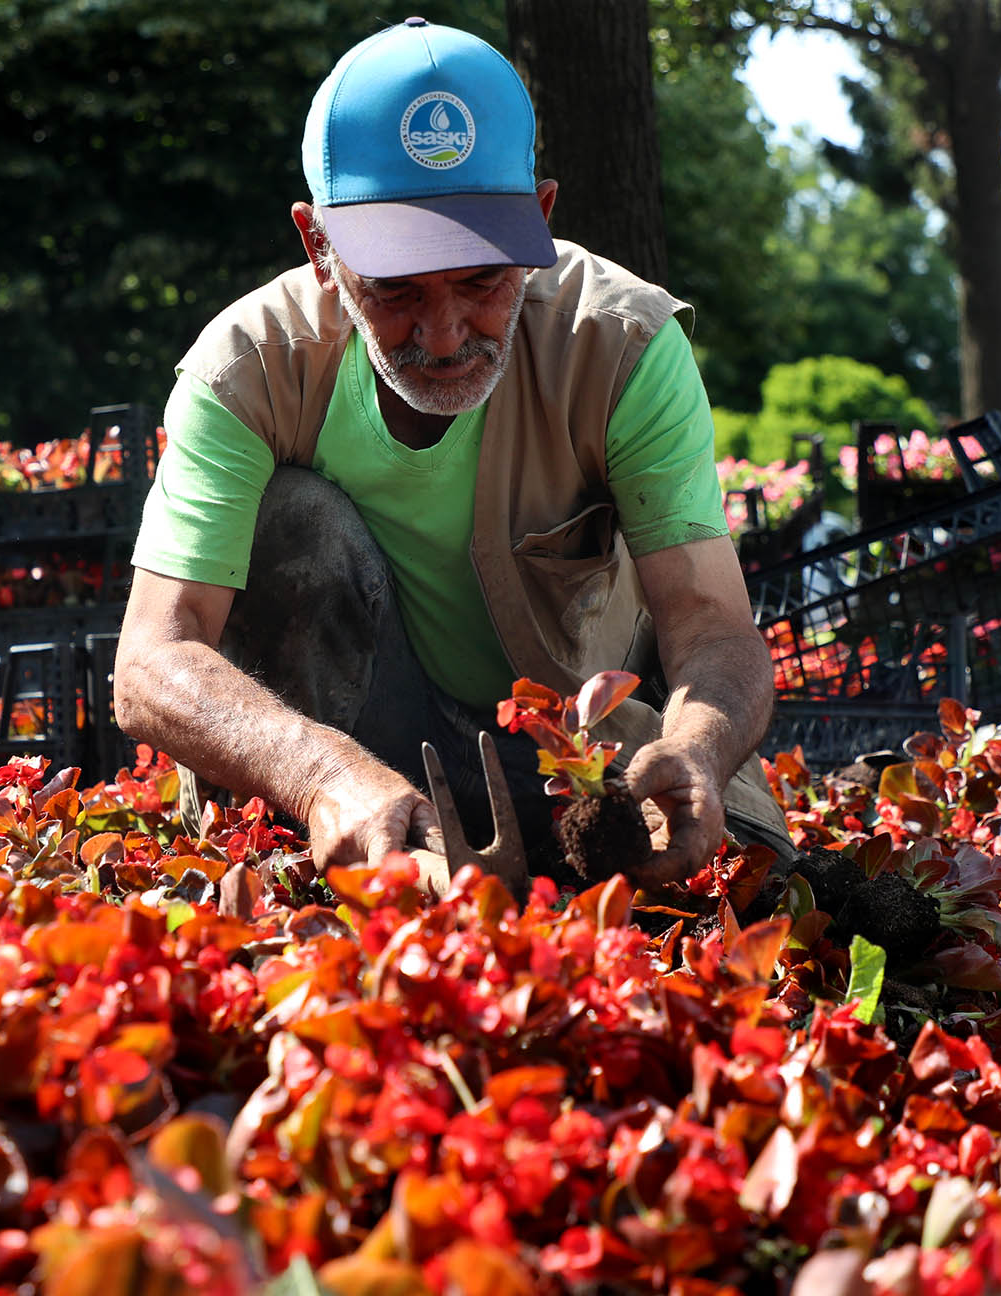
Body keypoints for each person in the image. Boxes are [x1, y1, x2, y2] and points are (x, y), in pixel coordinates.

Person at [111, 16, 786, 886]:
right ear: (319, 245)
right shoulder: (248, 371)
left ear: (538, 224)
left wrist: (697, 744)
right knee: (294, 522)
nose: (442, 332)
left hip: (582, 764)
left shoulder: (619, 344)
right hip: (361, 758)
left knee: (771, 894)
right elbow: (151, 660)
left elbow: (711, 625)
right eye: (393, 291)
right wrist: (323, 779)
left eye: (481, 280)